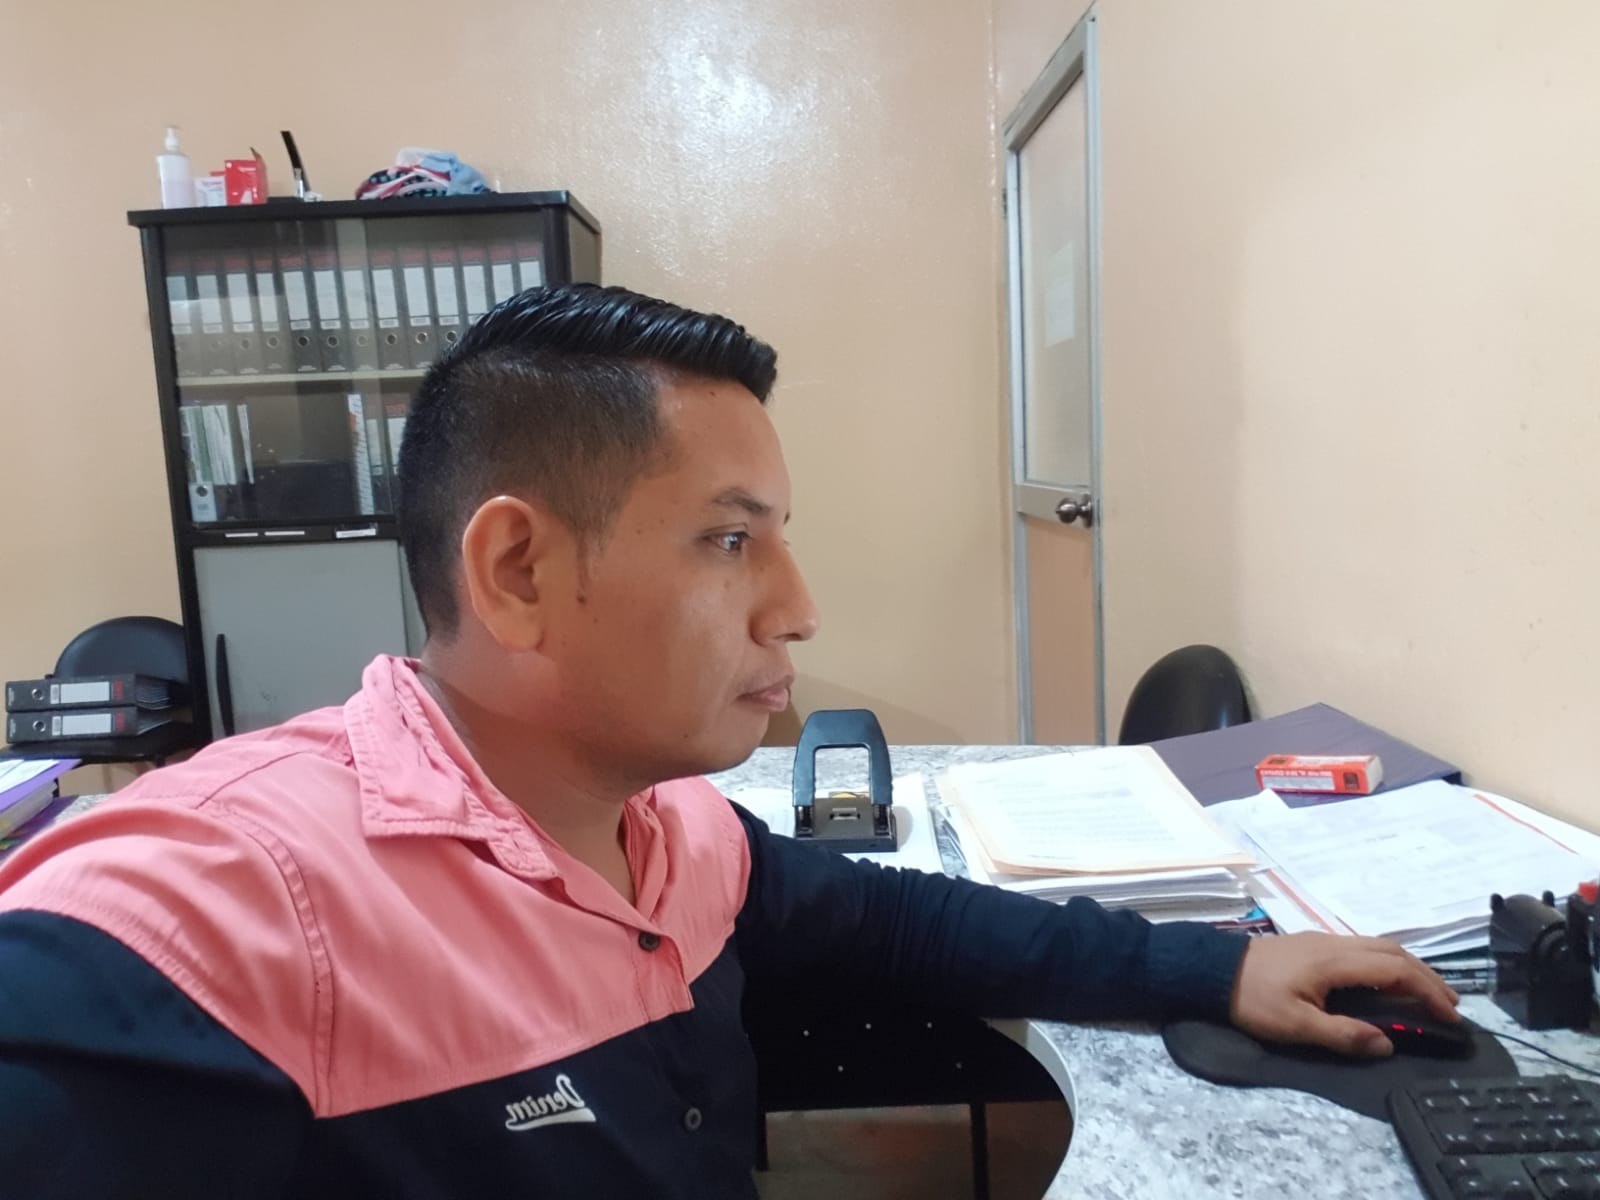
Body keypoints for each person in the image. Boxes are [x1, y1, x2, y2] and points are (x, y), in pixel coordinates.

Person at [0, 284, 1456, 1198]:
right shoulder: (223, 910)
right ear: (517, 572)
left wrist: (1219, 968)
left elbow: (903, 921)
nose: (798, 608)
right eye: (728, 541)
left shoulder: (670, 829)